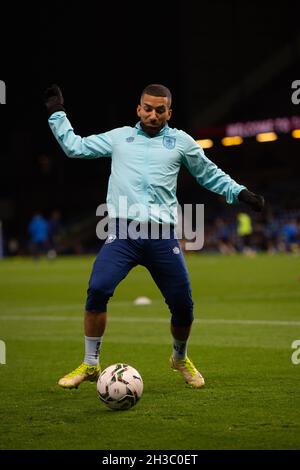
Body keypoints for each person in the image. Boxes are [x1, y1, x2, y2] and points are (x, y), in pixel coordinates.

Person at [44, 83, 264, 389]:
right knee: (98, 289)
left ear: (169, 112)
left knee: (183, 305)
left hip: (162, 236)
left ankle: (179, 358)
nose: (153, 114)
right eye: (147, 108)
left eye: (160, 110)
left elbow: (209, 173)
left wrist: (239, 192)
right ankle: (91, 364)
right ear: (138, 109)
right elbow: (75, 147)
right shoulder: (120, 137)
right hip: (123, 233)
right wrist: (57, 113)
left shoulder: (181, 142)